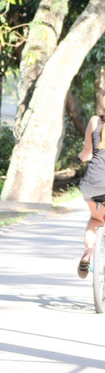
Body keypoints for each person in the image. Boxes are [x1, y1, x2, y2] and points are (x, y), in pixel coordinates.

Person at [77, 113, 105, 278]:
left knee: (96, 219)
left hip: (93, 183)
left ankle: (88, 254)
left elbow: (86, 153)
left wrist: (80, 158)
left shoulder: (95, 121)